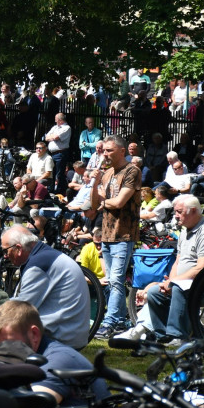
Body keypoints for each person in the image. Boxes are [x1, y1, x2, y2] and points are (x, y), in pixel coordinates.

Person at [140, 195, 204, 346]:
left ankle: (178, 336)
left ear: (193, 211)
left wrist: (173, 283)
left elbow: (202, 267)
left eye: (179, 211)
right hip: (187, 284)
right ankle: (164, 336)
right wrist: (170, 282)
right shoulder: (184, 231)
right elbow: (177, 262)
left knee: (179, 290)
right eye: (175, 211)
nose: (175, 215)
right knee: (155, 293)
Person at [0, 226, 90, 349]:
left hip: (60, 340)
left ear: (19, 248)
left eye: (6, 251)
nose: (5, 256)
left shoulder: (39, 265)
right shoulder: (46, 255)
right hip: (70, 333)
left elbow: (19, 309)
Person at [90, 135, 142, 340]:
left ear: (122, 151)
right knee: (112, 281)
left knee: (117, 280)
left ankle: (109, 322)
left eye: (109, 150)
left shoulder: (132, 171)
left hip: (124, 233)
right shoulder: (106, 173)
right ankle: (120, 321)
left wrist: (104, 202)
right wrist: (94, 183)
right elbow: (94, 204)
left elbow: (120, 202)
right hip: (107, 233)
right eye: (104, 150)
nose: (105, 154)